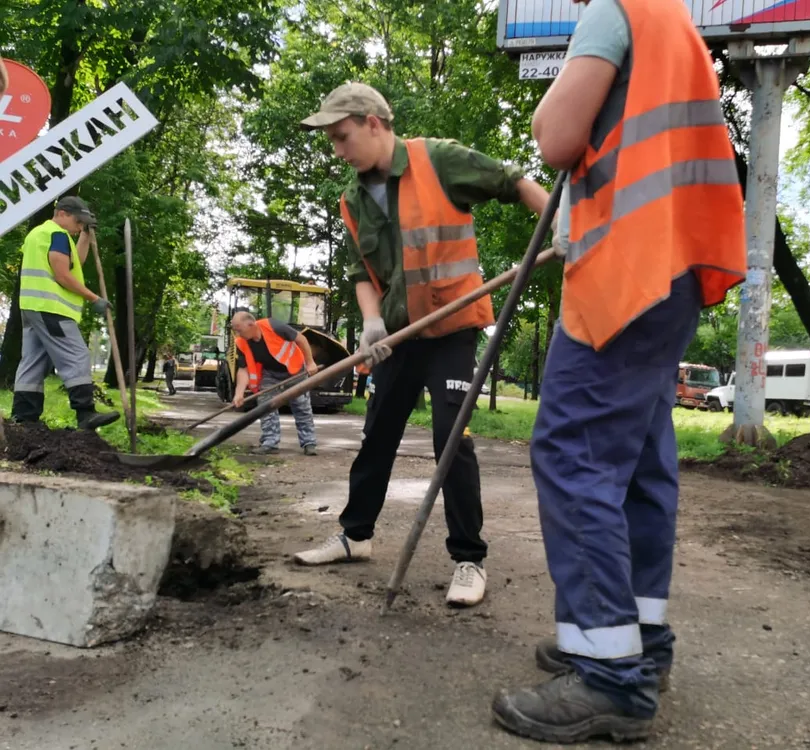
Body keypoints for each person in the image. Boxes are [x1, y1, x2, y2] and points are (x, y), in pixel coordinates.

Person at [491, 0, 747, 742]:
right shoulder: (672, 23)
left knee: (573, 452)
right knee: (636, 463)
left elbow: (557, 135)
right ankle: (637, 645)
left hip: (629, 269)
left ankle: (608, 676)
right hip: (670, 264)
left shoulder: (615, 11)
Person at [293, 82, 552, 608]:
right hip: (399, 332)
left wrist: (561, 221)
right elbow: (359, 271)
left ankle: (468, 559)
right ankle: (354, 536)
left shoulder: (439, 160)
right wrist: (370, 324)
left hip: (453, 326)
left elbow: (513, 180)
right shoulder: (351, 197)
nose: (338, 150)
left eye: (342, 137)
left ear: (373, 122)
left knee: (450, 435)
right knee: (378, 433)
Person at [11, 196, 119, 430]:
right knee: (77, 355)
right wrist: (94, 298)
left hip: (32, 307)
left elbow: (74, 263)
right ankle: (85, 413)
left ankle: (24, 418)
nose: (79, 226)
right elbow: (62, 274)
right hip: (51, 308)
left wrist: (85, 236)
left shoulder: (40, 234)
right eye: (78, 222)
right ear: (62, 213)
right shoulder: (57, 235)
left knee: (33, 361)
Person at [230, 311, 320, 456]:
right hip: (270, 374)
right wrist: (239, 393)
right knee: (266, 405)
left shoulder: (273, 326)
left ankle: (309, 443)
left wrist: (310, 363)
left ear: (251, 324)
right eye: (235, 330)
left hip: (294, 370)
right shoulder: (241, 342)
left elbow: (301, 339)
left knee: (301, 407)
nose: (237, 333)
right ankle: (270, 443)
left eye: (239, 329)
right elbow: (243, 369)